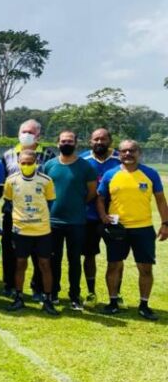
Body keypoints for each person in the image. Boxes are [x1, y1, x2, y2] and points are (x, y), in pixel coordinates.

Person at [97, 140, 168, 320]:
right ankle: (113, 302)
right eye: (124, 151)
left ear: (139, 152)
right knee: (113, 265)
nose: (128, 154)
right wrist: (103, 216)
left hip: (143, 229)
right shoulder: (110, 174)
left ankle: (144, 305)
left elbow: (160, 199)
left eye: (132, 150)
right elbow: (99, 198)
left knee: (145, 268)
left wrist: (166, 223)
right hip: (117, 229)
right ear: (119, 154)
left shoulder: (150, 174)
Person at [1, 119, 57, 297]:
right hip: (14, 214)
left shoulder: (49, 155)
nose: (26, 135)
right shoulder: (8, 154)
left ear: (38, 135)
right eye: (23, 131)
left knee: (39, 256)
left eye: (30, 132)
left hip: (39, 216)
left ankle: (38, 288)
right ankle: (11, 286)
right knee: (12, 253)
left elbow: (50, 187)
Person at [42, 131, 97, 310]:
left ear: (76, 143)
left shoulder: (85, 166)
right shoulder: (49, 165)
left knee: (74, 260)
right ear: (57, 143)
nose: (67, 143)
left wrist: (76, 204)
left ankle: (74, 295)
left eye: (70, 141)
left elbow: (91, 192)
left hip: (76, 222)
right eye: (63, 141)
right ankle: (54, 292)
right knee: (54, 259)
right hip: (53, 221)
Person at [80, 128, 121, 307]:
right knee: (89, 255)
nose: (99, 142)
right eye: (96, 139)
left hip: (114, 216)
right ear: (90, 141)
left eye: (103, 139)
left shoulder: (120, 159)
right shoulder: (83, 160)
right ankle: (91, 293)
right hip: (89, 217)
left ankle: (116, 295)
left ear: (110, 141)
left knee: (116, 258)